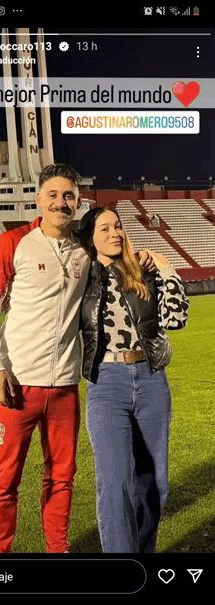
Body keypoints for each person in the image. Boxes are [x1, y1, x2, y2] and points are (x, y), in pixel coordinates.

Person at [0, 163, 91, 553]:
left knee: (62, 478)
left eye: (69, 195)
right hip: (16, 386)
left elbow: (117, 253)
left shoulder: (84, 249)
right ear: (38, 199)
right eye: (54, 195)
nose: (61, 202)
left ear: (78, 201)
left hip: (64, 390)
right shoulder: (12, 242)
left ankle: (57, 550)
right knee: (4, 481)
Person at [78, 206, 189, 553]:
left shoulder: (142, 272)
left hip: (152, 380)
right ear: (90, 238)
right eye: (105, 228)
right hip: (107, 382)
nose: (115, 233)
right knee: (115, 483)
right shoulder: (83, 275)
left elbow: (177, 319)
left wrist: (166, 266)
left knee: (154, 485)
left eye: (119, 226)